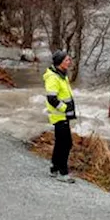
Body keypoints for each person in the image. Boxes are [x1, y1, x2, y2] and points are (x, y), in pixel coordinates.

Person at [44, 50, 77, 183]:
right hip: (59, 116)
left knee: (60, 143)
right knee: (66, 144)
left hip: (64, 116)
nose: (69, 62)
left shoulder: (62, 75)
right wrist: (65, 108)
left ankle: (54, 167)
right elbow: (51, 98)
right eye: (67, 60)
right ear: (60, 62)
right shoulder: (53, 77)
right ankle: (63, 173)